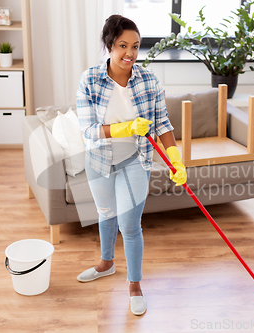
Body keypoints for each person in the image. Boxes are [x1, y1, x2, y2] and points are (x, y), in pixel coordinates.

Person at [75, 14, 187, 316]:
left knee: (130, 225)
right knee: (106, 213)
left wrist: (175, 157)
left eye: (136, 46)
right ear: (109, 45)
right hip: (99, 159)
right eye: (123, 45)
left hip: (136, 160)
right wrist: (124, 128)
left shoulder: (148, 79)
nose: (130, 53)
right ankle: (106, 263)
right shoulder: (90, 80)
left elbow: (162, 123)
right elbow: (87, 130)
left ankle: (135, 285)